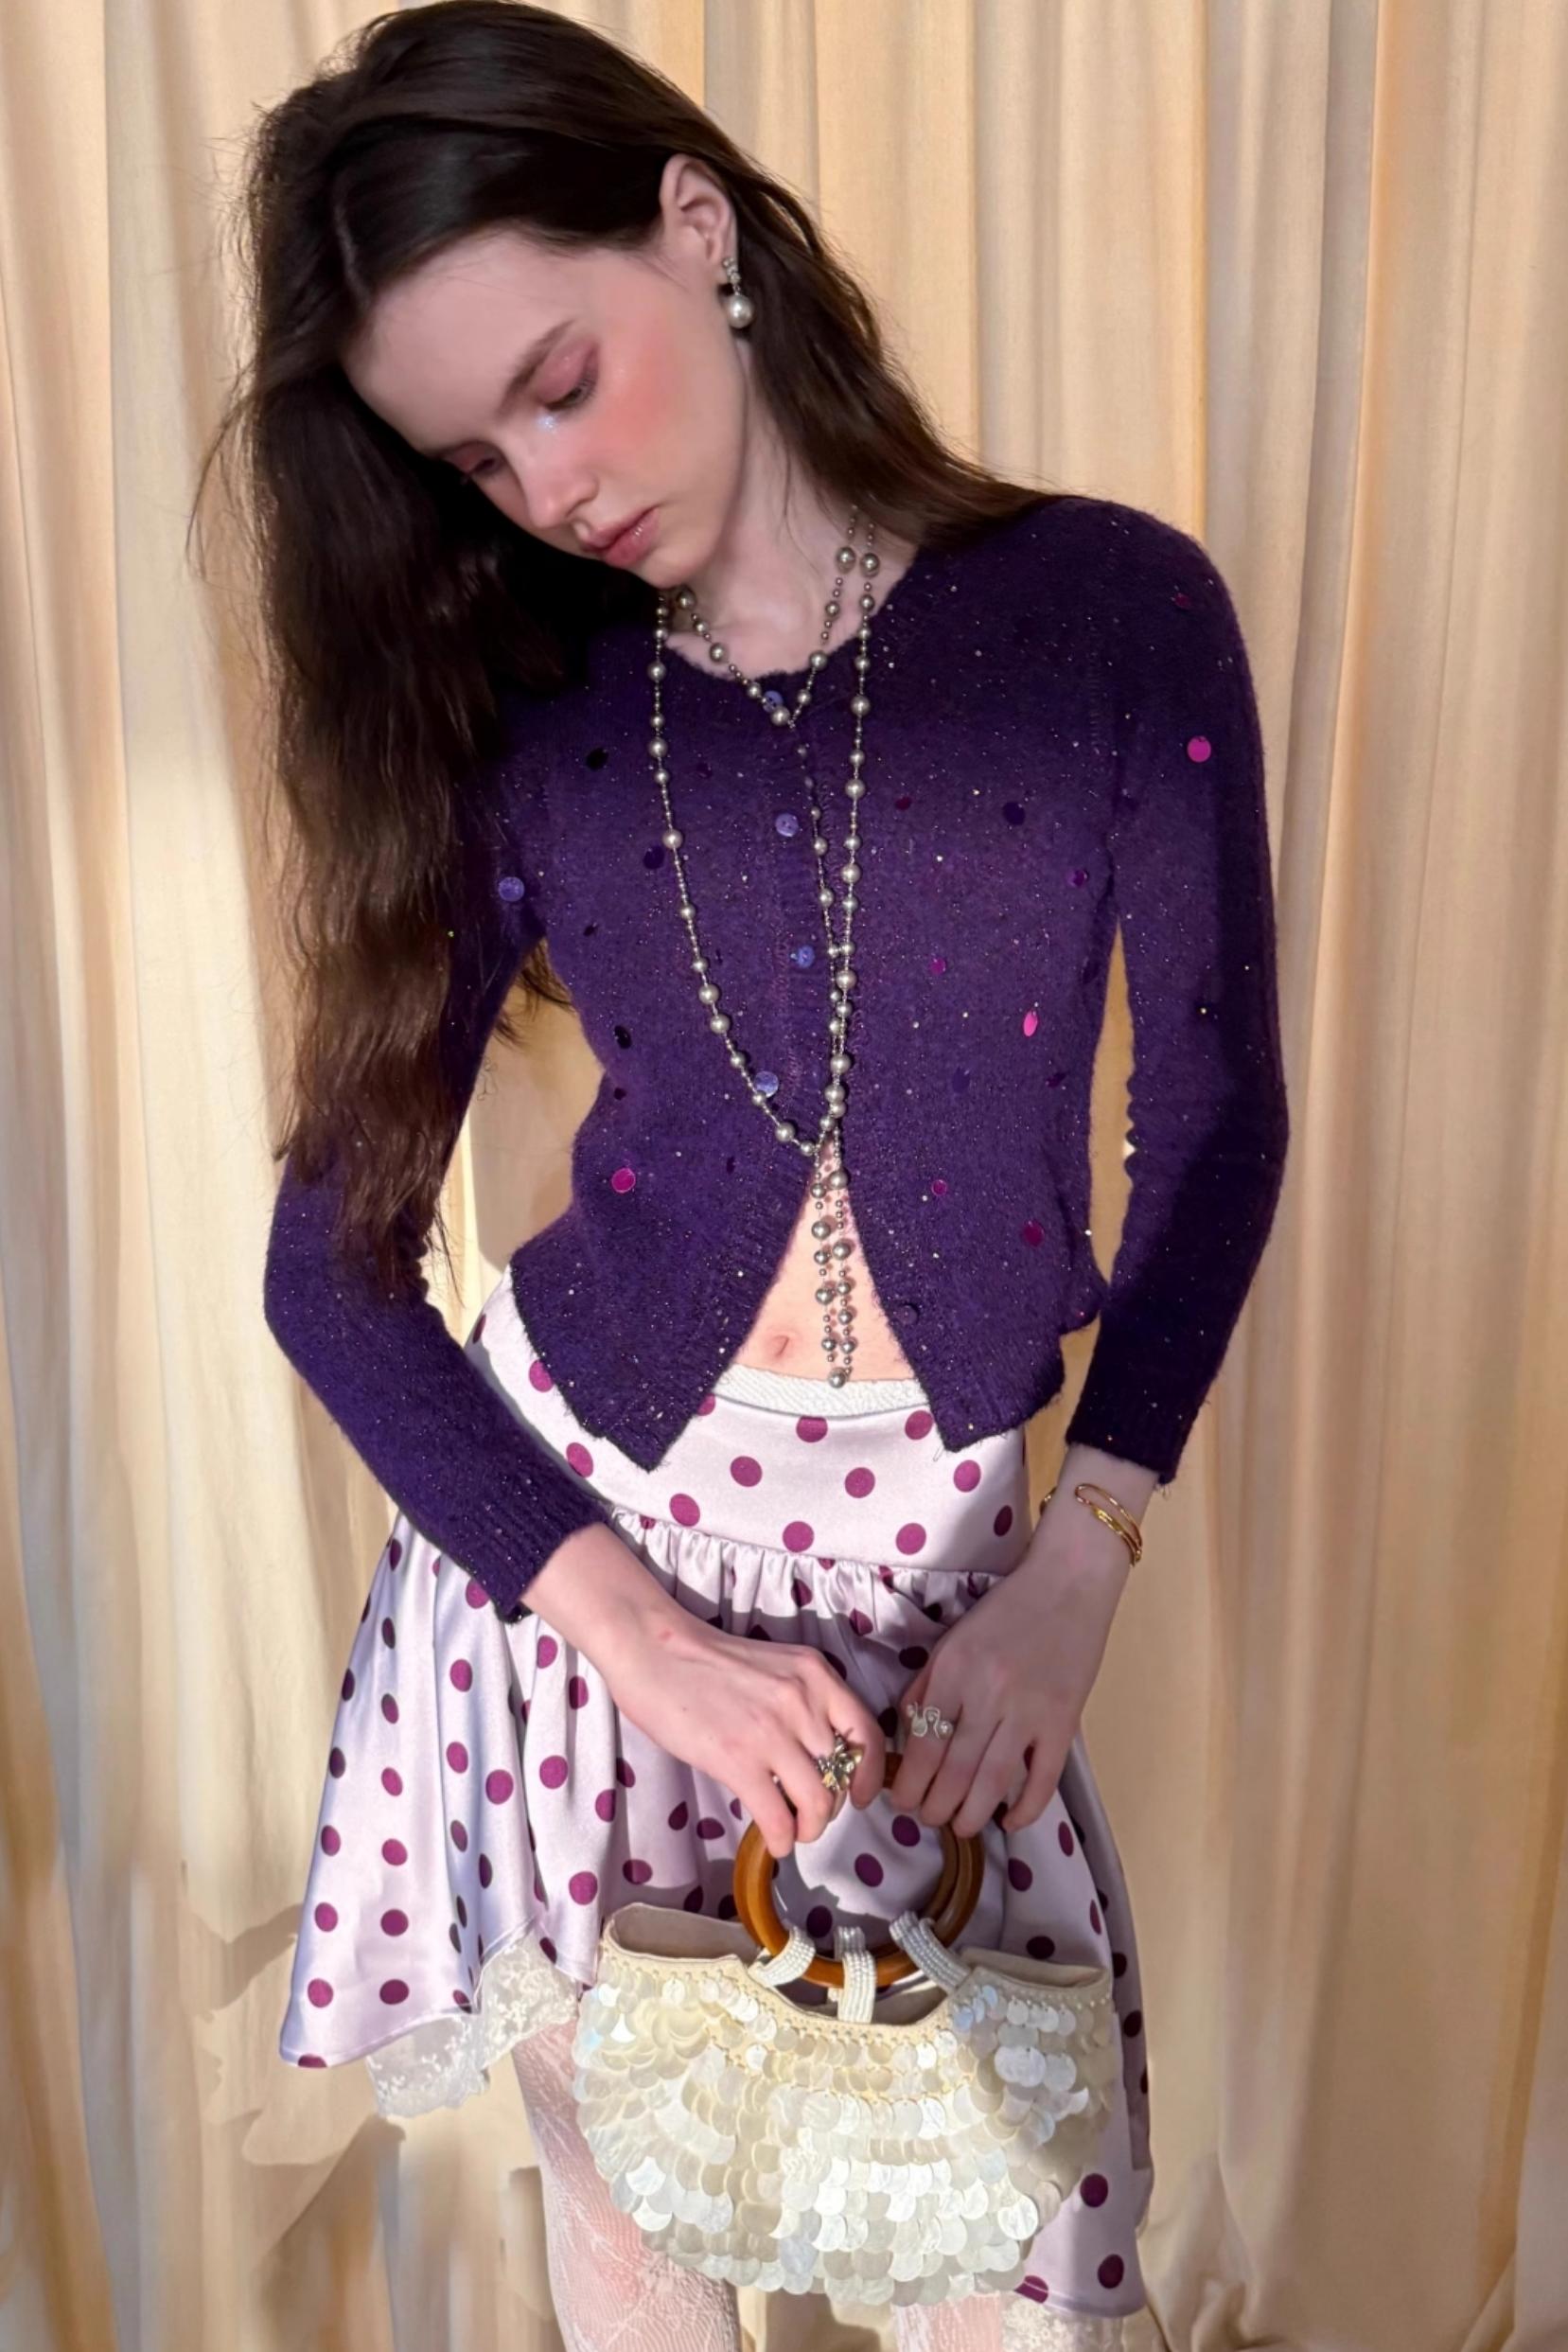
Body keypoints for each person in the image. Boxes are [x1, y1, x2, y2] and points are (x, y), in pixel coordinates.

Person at [203, 6, 1289, 2346]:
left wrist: (1085, 1550)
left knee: (1011, 2268)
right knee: (640, 2250)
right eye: (474, 456)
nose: (544, 486)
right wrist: (633, 1631)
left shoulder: (1109, 612)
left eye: (558, 383)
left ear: (693, 227)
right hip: (588, 1576)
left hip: (946, 1580)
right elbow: (325, 1268)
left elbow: (1211, 1119)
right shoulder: (527, 710)